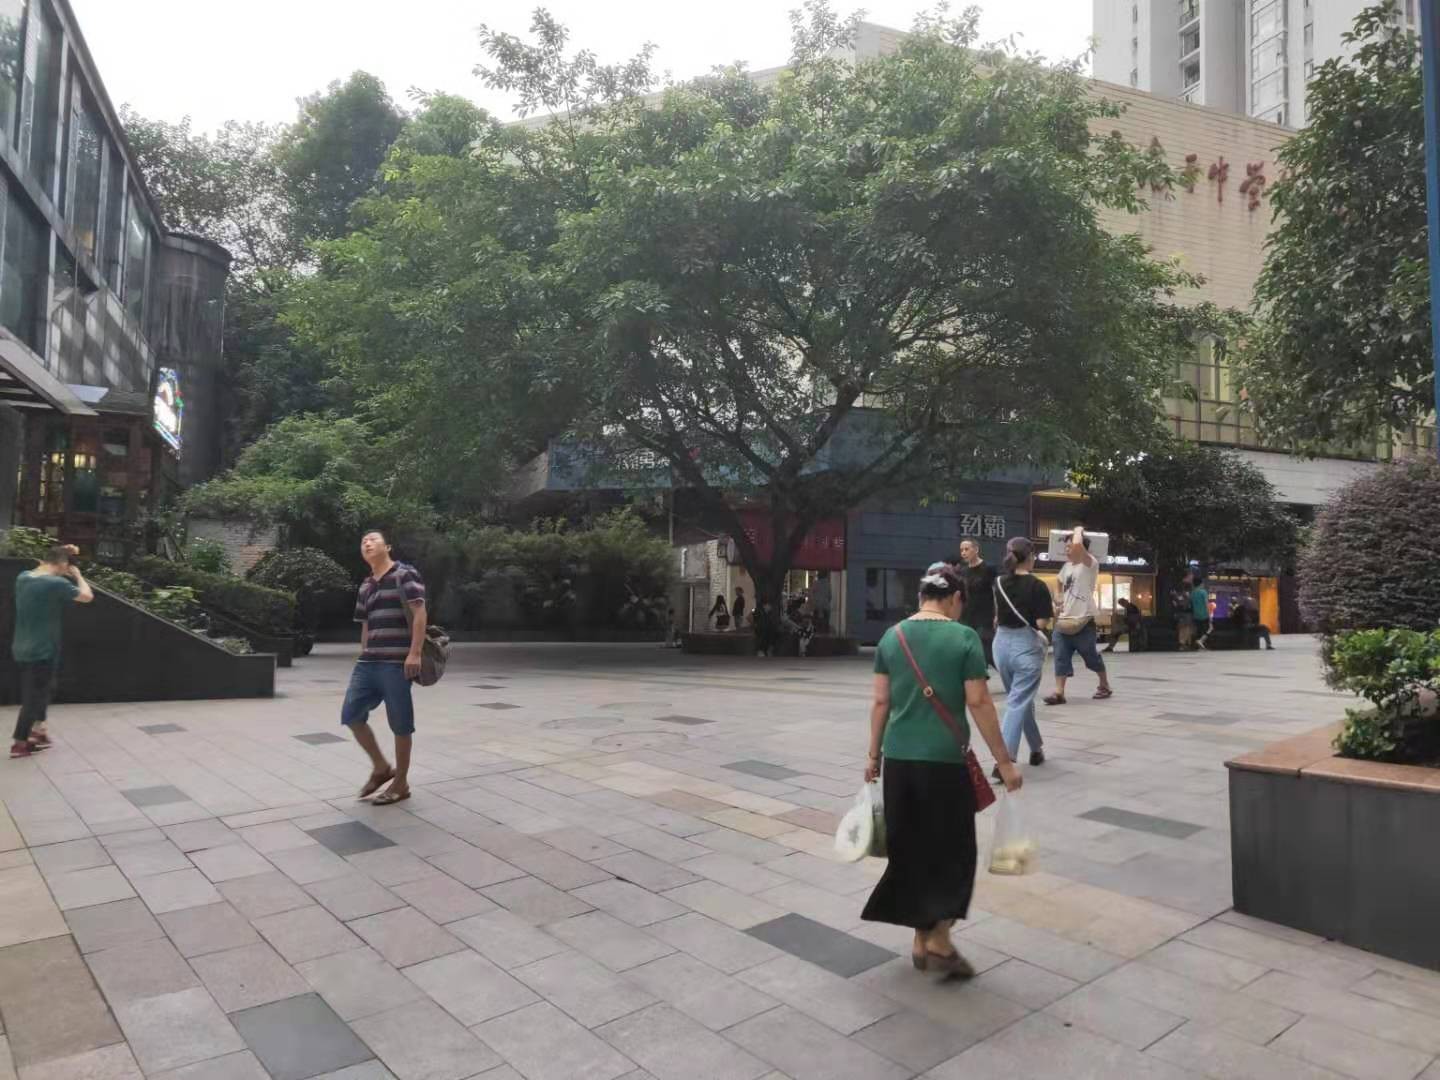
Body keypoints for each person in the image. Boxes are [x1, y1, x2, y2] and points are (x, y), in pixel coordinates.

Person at [861, 564, 1022, 975]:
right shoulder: (963, 637)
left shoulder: (891, 637)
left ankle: (921, 940)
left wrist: (873, 757)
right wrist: (1004, 762)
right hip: (944, 763)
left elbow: (880, 702)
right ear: (954, 599)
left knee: (911, 850)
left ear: (921, 597)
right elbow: (979, 702)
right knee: (952, 852)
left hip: (899, 762)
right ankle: (940, 941)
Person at [343, 530, 427, 806]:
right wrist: (364, 652)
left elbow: (419, 613)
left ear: (387, 546)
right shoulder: (365, 585)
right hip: (368, 663)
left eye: (373, 539)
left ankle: (400, 783)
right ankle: (381, 767)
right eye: (363, 541)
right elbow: (366, 624)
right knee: (351, 715)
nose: (367, 543)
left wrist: (414, 653)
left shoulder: (405, 574)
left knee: (400, 723)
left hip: (396, 663)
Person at [10, 544, 93, 759]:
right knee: (34, 697)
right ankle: (20, 743)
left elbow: (46, 564)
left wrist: (63, 551)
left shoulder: (23, 577)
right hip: (42, 649)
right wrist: (78, 576)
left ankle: (39, 732)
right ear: (63, 564)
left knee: (43, 689)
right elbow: (86, 596)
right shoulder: (56, 583)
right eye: (67, 565)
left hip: (22, 646)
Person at [992, 537, 1053, 770]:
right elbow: (1041, 623)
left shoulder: (998, 582)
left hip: (1001, 646)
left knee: (1020, 698)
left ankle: (1036, 748)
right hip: (1025, 647)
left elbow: (997, 617)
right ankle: (1004, 760)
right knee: (1017, 701)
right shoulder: (1038, 586)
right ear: (1030, 557)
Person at [1044, 527, 1113, 705]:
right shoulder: (1067, 566)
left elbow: (1077, 543)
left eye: (1070, 547)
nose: (1067, 550)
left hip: (1084, 621)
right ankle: (1059, 692)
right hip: (1064, 620)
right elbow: (1059, 581)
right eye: (1066, 547)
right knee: (1060, 656)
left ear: (1081, 547)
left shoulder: (1090, 563)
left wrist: (1078, 529)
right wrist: (1058, 596)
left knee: (1091, 657)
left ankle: (1104, 685)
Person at [958, 539, 998, 668]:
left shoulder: (989, 568)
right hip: (967, 615)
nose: (963, 553)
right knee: (968, 648)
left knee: (985, 648)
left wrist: (997, 614)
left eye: (966, 549)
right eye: (961, 550)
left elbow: (996, 592)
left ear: (976, 549)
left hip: (985, 615)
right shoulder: (963, 571)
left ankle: (1004, 672)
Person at [1191, 575, 1212, 651]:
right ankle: (1201, 641)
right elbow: (1206, 604)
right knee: (1210, 628)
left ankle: (1200, 647)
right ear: (1200, 584)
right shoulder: (1203, 592)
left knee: (1199, 630)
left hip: (1196, 614)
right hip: (1204, 614)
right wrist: (1209, 614)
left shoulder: (1192, 593)